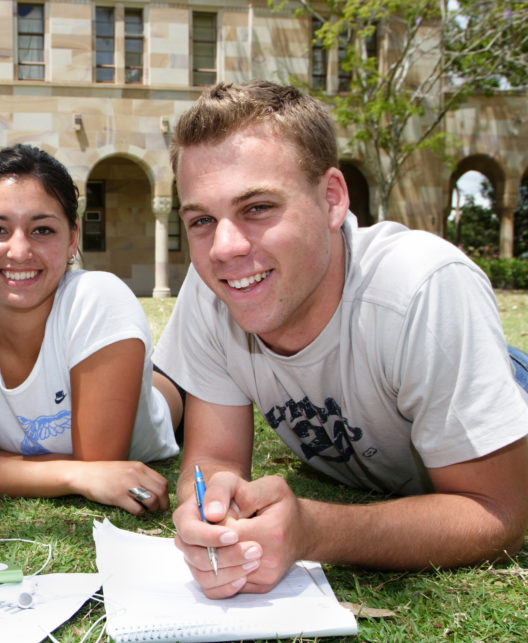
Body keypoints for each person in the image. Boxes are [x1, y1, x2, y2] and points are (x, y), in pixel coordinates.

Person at [154, 81, 528, 599]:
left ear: (331, 199)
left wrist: (315, 530)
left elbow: (497, 512)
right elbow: (213, 457)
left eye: (258, 207)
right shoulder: (212, 290)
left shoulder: (423, 288)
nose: (224, 248)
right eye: (201, 220)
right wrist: (210, 503)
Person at [0, 144, 182, 515]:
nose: (20, 250)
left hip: (162, 404)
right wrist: (75, 477)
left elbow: (98, 464)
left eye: (42, 229)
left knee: (165, 392)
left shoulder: (97, 299)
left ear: (73, 238)